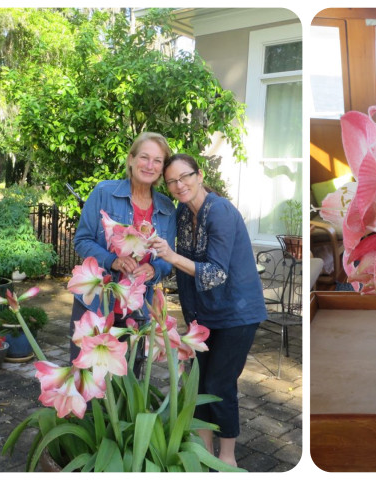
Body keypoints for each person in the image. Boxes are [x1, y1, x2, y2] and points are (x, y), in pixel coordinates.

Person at [150, 153, 267, 467]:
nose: (179, 185)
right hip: (202, 314)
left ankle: (227, 458)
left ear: (199, 175)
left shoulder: (220, 212)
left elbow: (215, 272)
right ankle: (203, 453)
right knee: (197, 382)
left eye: (185, 176)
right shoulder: (183, 214)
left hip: (236, 314)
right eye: (172, 181)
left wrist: (171, 257)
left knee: (218, 384)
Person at [70, 132, 176, 374]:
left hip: (138, 309)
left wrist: (155, 268)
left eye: (157, 161)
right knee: (86, 377)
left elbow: (167, 258)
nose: (150, 165)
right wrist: (113, 261)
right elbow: (82, 240)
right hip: (96, 302)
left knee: (127, 380)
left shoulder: (167, 208)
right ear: (131, 159)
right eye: (144, 157)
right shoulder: (104, 193)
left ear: (162, 168)